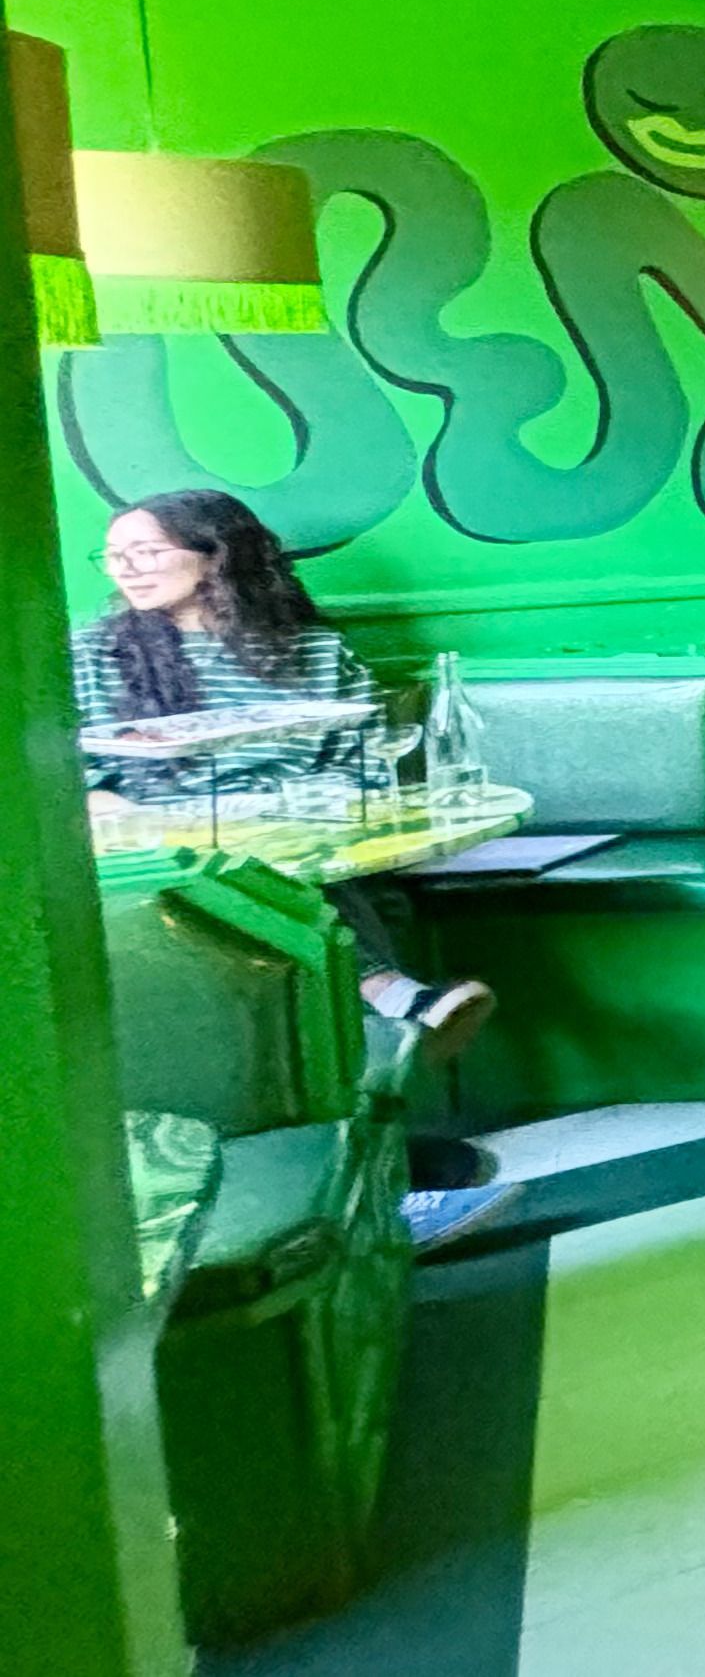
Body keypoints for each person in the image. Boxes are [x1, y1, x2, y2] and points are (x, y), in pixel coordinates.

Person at [73, 490, 508, 1247]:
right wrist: (99, 799)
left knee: (307, 883)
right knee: (296, 901)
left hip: (305, 840)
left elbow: (364, 767)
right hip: (164, 862)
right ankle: (398, 1007)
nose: (126, 569)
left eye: (146, 551)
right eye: (114, 557)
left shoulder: (311, 653)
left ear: (216, 555)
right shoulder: (95, 654)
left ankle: (381, 1155)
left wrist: (311, 806)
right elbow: (71, 773)